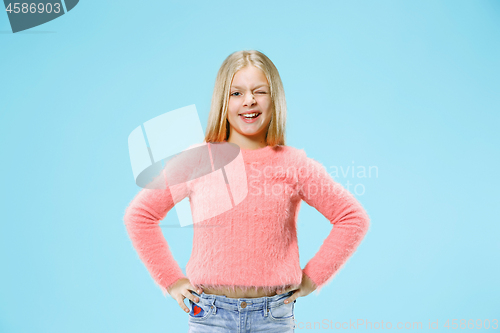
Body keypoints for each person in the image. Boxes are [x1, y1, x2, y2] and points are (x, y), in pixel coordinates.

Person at [123, 50, 371, 332]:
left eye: (259, 91)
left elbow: (352, 218)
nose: (249, 101)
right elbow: (140, 215)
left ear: (274, 98)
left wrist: (313, 277)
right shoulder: (198, 160)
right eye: (236, 93)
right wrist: (171, 279)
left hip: (273, 318)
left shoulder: (294, 165)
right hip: (210, 317)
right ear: (222, 101)